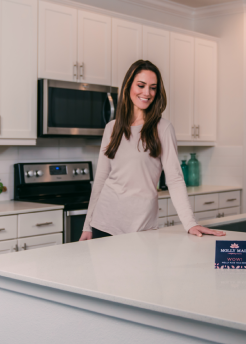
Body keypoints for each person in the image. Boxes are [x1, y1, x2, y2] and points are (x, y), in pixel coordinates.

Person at [80, 60, 225, 240]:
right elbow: (101, 179)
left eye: (153, 87)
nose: (147, 93)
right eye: (141, 85)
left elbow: (174, 179)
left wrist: (190, 223)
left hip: (142, 226)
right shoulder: (112, 128)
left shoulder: (163, 128)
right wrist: (87, 226)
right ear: (128, 86)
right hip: (104, 223)